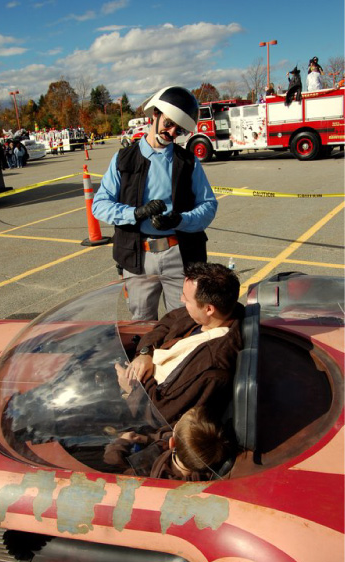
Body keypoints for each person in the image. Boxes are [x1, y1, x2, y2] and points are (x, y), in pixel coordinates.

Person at [92, 86, 218, 321]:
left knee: (183, 322)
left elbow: (208, 206)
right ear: (155, 115)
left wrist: (181, 220)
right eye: (168, 124)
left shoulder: (187, 162)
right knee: (141, 323)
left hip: (179, 256)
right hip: (138, 257)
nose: (171, 133)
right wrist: (135, 213)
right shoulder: (123, 159)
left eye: (178, 130)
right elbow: (100, 204)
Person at [116, 262, 244, 425]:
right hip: (141, 375)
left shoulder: (210, 365)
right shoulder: (209, 316)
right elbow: (168, 322)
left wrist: (132, 388)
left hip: (141, 410)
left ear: (209, 309)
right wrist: (145, 353)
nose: (181, 300)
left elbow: (162, 413)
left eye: (187, 298)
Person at [104, 405, 238, 480]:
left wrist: (122, 442)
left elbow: (112, 462)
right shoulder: (206, 469)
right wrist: (147, 439)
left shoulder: (153, 471)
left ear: (172, 444)